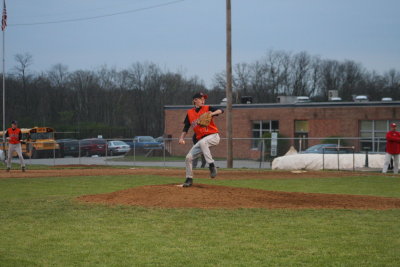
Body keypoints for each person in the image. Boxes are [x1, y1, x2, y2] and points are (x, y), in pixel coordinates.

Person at [178, 92, 223, 187]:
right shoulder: (190, 113)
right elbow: (186, 127)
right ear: (195, 100)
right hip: (202, 141)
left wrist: (212, 114)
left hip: (213, 136)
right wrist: (181, 138)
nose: (203, 100)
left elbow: (221, 110)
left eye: (204, 99)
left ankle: (211, 165)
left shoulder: (207, 108)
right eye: (201, 98)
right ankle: (189, 179)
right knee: (188, 158)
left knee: (203, 142)